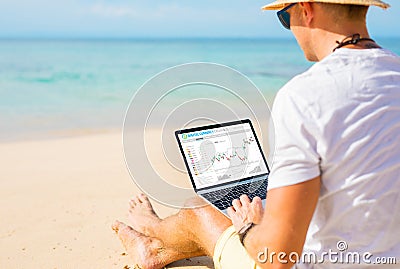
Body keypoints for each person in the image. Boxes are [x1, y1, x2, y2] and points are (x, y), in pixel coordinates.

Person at [112, 0, 400, 268]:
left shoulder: (305, 95)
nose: (290, 29)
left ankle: (151, 236)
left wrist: (249, 227)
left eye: (284, 17)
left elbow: (276, 258)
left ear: (306, 9)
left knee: (197, 211)